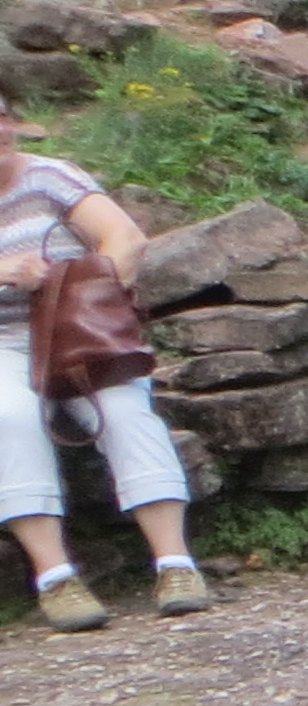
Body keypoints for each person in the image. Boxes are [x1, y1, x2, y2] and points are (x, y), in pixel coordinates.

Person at [0, 108, 210, 630]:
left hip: (78, 333)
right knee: (10, 417)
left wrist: (72, 290)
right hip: (2, 344)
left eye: (1, 117)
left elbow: (125, 238)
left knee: (123, 410)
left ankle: (176, 565)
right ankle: (56, 577)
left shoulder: (48, 176)